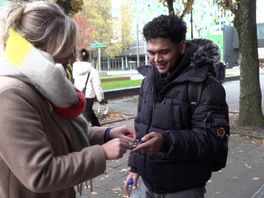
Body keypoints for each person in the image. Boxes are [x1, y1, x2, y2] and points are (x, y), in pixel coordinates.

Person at [0, 1, 135, 198]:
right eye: (65, 49)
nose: (70, 58)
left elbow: (61, 135)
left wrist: (107, 134)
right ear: (42, 47)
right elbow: (41, 174)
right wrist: (102, 152)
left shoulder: (39, 84)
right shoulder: (11, 95)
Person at [125, 15, 230, 197]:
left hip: (183, 188)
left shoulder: (207, 86)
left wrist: (166, 141)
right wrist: (134, 167)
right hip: (146, 185)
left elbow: (211, 140)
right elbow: (141, 126)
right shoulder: (148, 80)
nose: (156, 59)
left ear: (181, 47)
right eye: (151, 52)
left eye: (163, 52)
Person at [73, 48, 106, 126]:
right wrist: (100, 98)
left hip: (77, 94)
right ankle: (83, 134)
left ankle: (97, 126)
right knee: (86, 117)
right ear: (88, 58)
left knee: (88, 113)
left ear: (79, 57)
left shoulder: (74, 69)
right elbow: (97, 86)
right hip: (88, 96)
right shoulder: (93, 71)